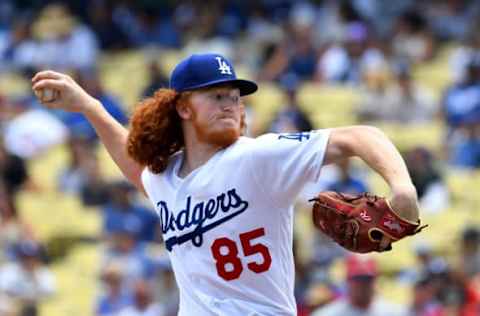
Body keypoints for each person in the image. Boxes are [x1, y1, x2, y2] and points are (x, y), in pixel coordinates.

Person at [32, 53, 420, 316]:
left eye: (235, 98)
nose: (230, 105)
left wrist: (402, 190)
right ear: (183, 107)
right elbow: (138, 170)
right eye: (217, 96)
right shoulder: (165, 177)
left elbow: (360, 136)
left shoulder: (257, 157)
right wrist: (90, 107)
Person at [311, 255, 407, 316]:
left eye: (367, 279)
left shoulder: (395, 312)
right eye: (358, 279)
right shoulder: (328, 313)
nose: (363, 285)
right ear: (348, 281)